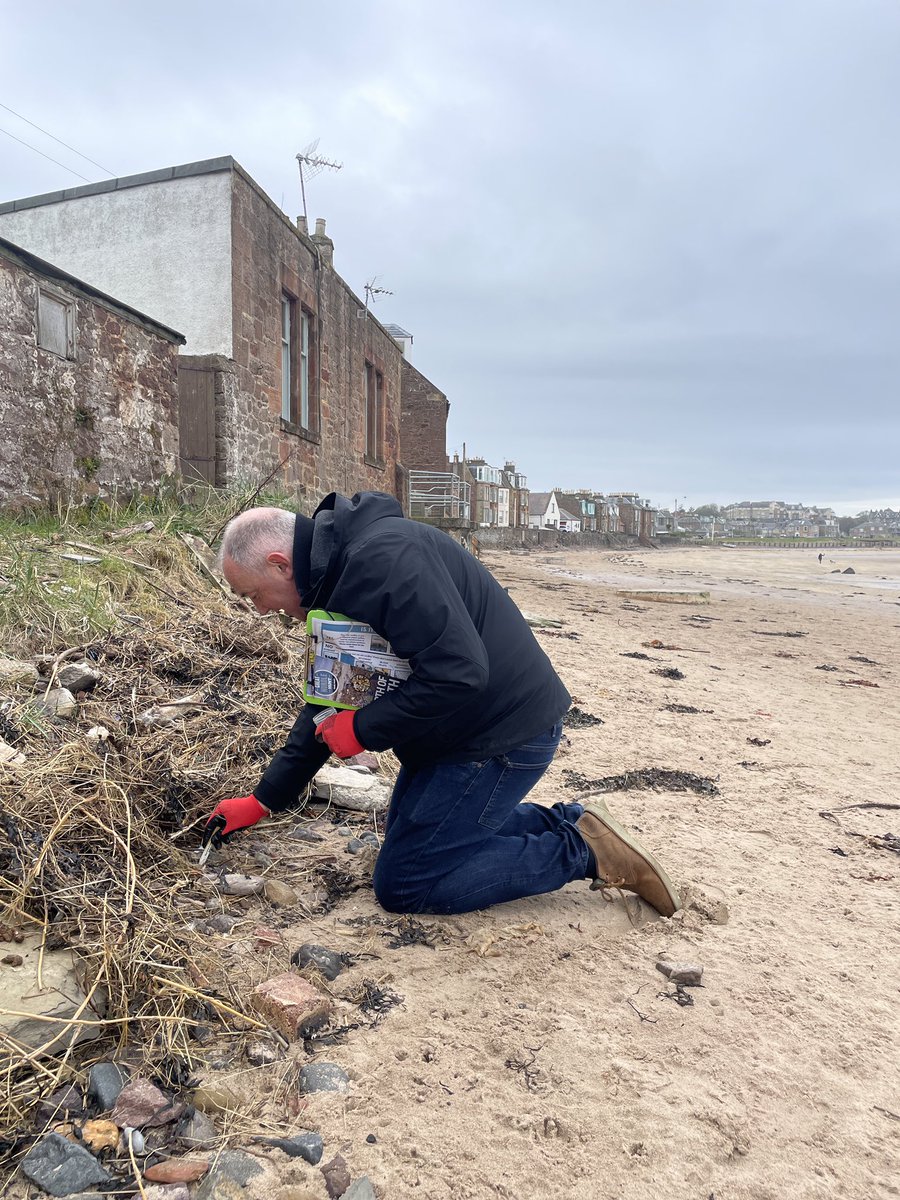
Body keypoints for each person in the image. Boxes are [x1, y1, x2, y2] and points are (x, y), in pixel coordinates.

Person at [203, 492, 680, 918]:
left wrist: (364, 729)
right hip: (460, 734)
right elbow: (329, 703)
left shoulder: (383, 562)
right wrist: (264, 800)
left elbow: (460, 673)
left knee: (408, 883)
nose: (260, 609)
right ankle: (571, 823)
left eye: (253, 594)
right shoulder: (337, 575)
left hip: (505, 733)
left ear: (280, 563)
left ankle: (584, 852)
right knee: (410, 834)